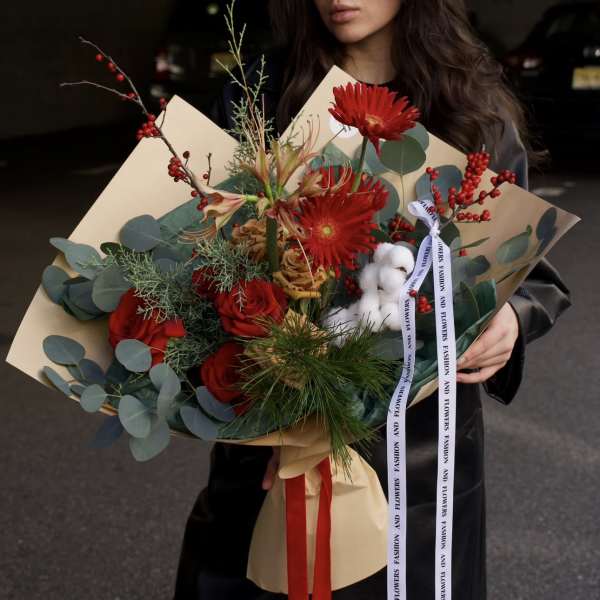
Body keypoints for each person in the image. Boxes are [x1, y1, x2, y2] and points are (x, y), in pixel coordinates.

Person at [174, 1, 571, 598]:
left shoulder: (470, 108)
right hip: (274, 445)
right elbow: (192, 263)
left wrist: (512, 318)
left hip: (422, 453)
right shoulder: (257, 98)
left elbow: (529, 269)